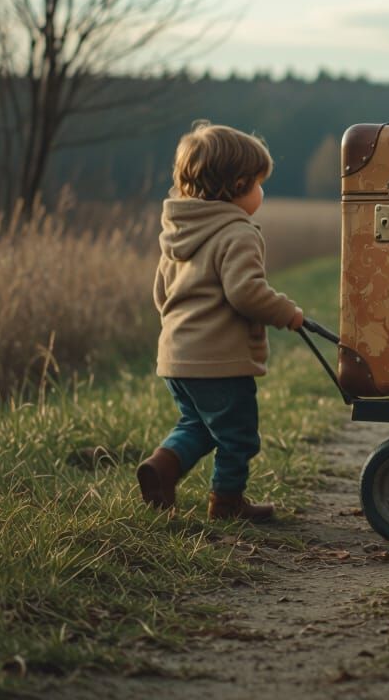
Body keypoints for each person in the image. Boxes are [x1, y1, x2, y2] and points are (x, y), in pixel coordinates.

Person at [136, 121, 303, 521]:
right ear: (238, 184)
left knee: (198, 424)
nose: (262, 192)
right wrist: (288, 313)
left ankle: (161, 467)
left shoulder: (178, 231)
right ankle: (227, 503)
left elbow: (161, 294)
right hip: (218, 362)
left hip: (175, 358)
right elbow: (246, 292)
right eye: (259, 183)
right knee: (238, 434)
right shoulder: (237, 232)